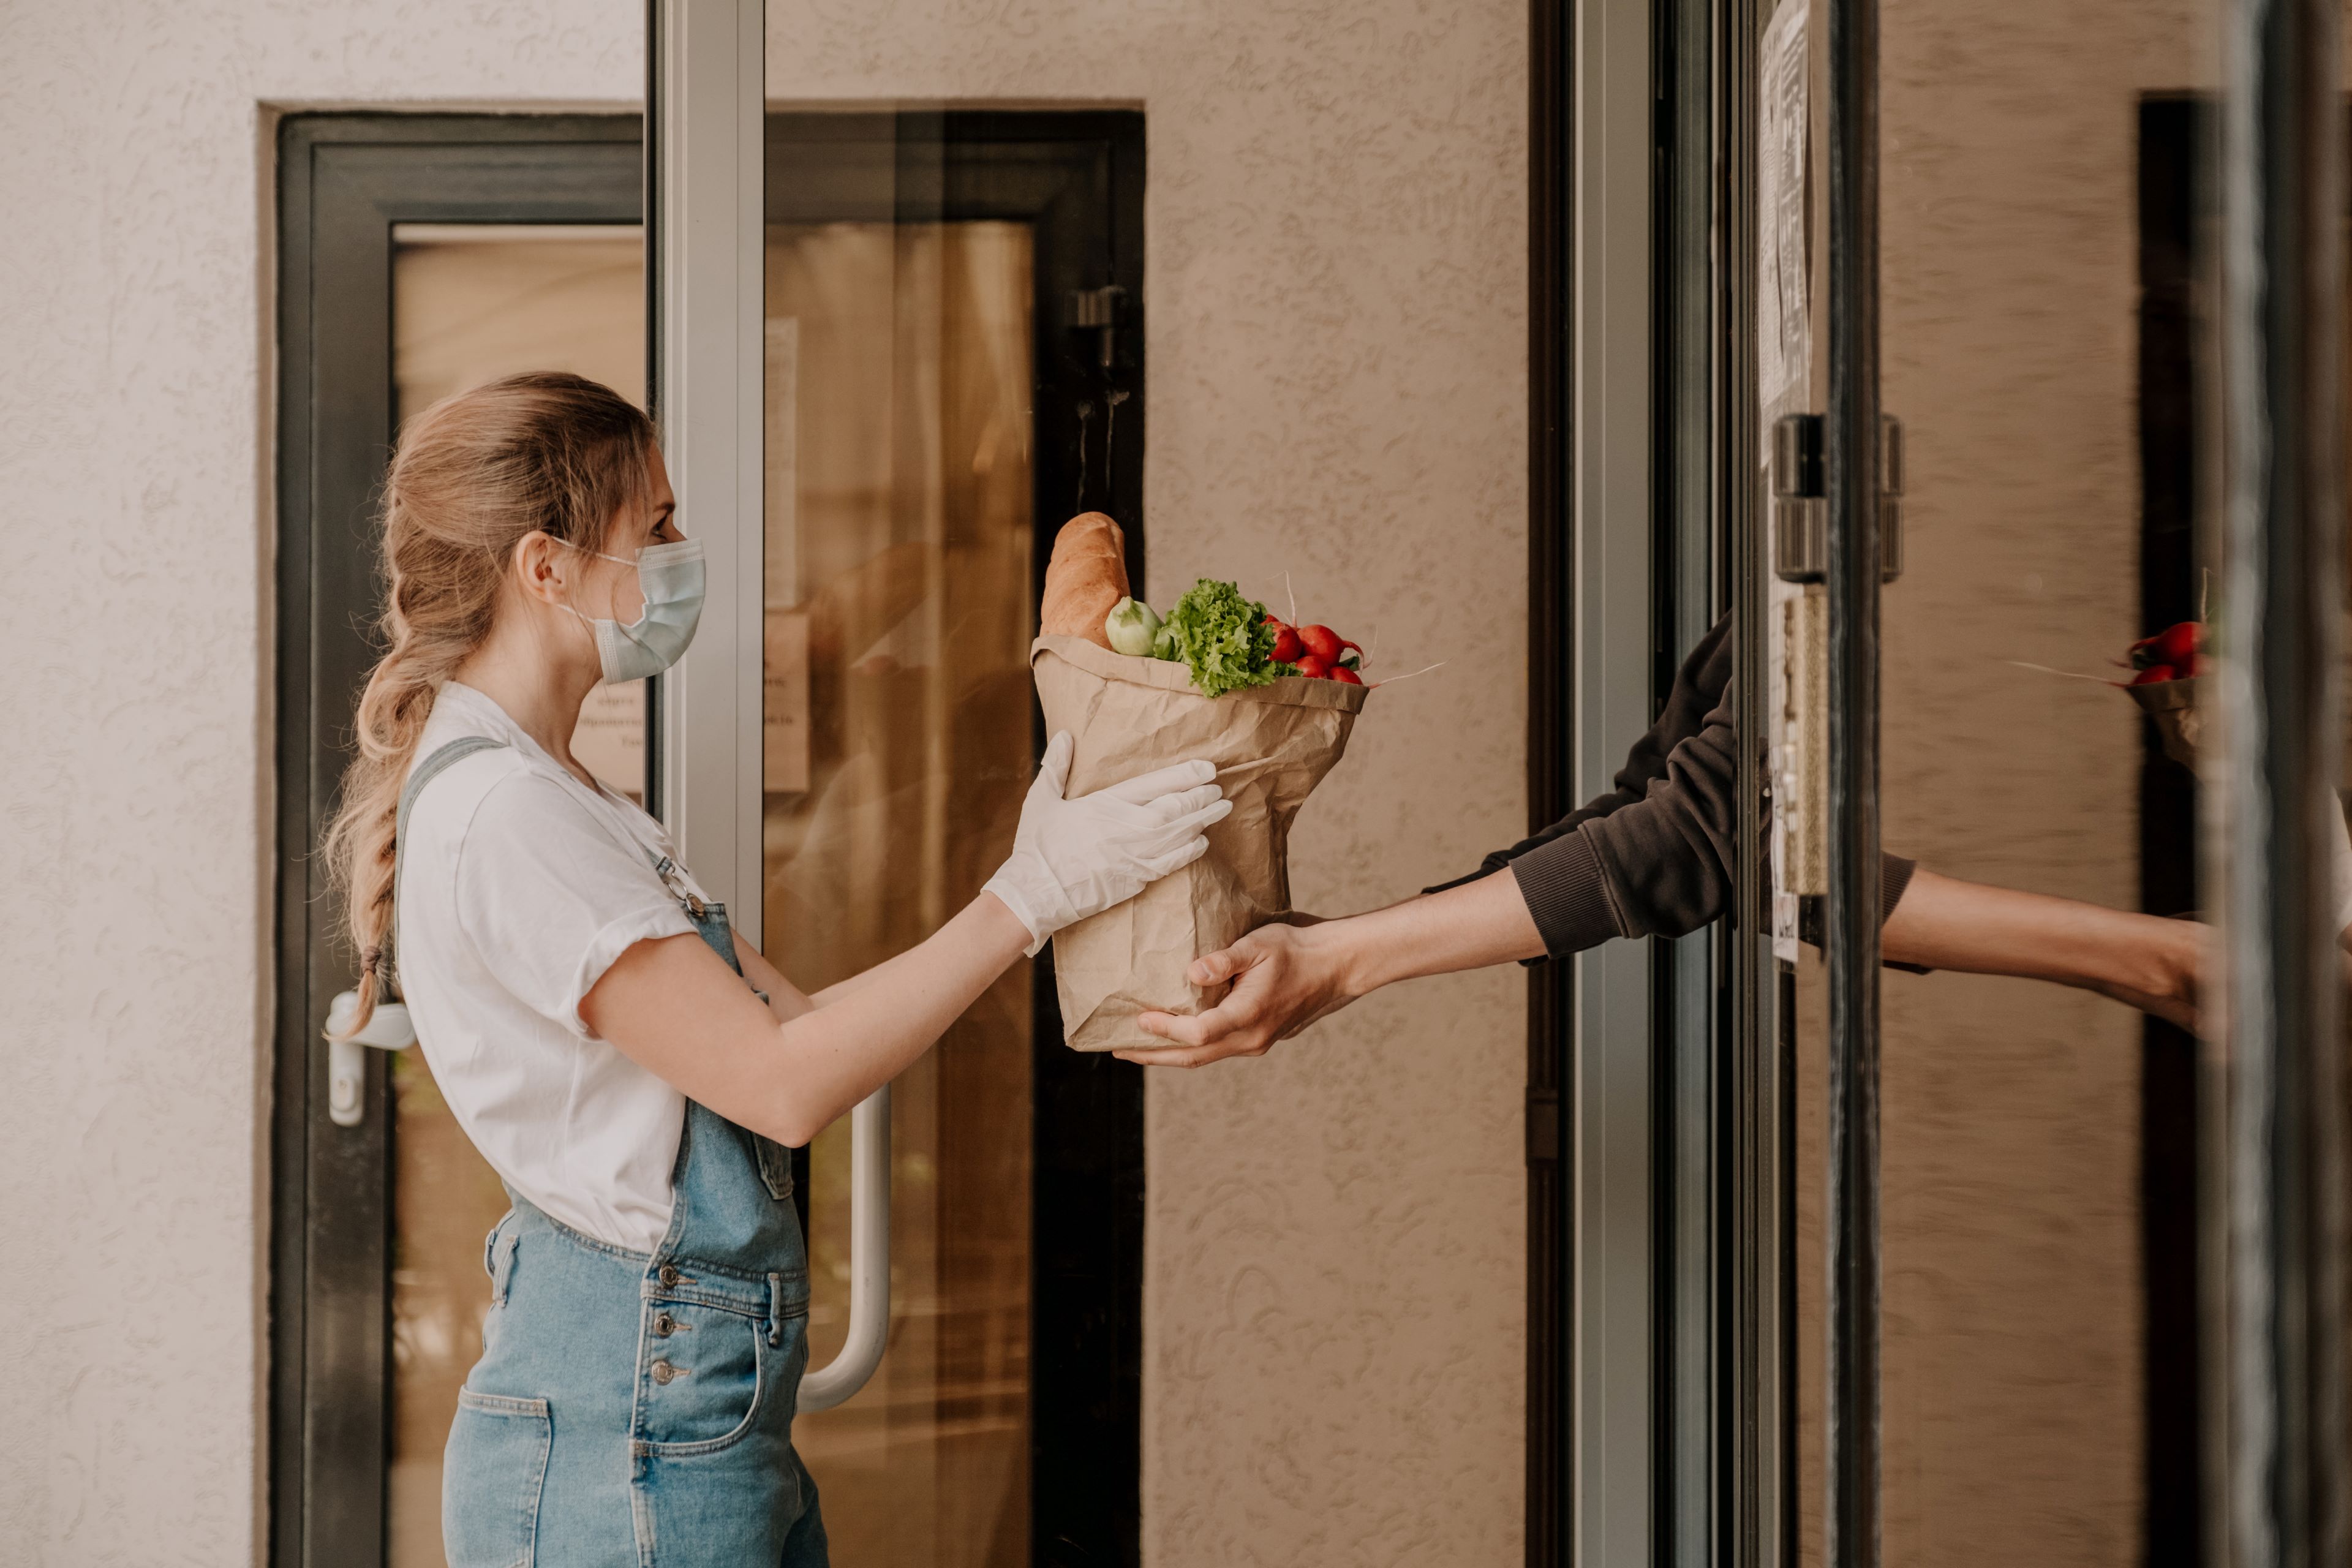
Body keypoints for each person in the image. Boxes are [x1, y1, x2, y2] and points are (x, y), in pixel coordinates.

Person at [323, 371, 1230, 1567]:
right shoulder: (506, 815)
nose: (680, 552)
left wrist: (1041, 883)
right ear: (544, 568)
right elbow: (782, 1079)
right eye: (653, 526)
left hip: (683, 1411)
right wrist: (1032, 893)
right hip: (631, 1430)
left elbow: (798, 1026)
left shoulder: (566, 794)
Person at [1120, 612, 2207, 1066]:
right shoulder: (1772, 502)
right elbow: (1705, 830)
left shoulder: (1806, 496)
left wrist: (1346, 960)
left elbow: (1702, 835)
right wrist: (1346, 949)